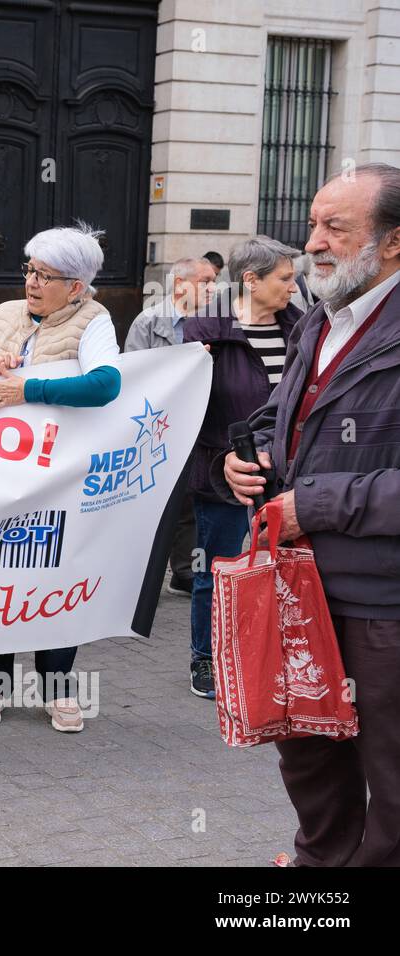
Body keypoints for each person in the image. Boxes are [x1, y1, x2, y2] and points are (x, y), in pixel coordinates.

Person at [220, 163, 400, 866]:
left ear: (391, 243)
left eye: (336, 227)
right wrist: (244, 460)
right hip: (298, 589)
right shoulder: (319, 319)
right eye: (314, 224)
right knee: (309, 759)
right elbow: (280, 419)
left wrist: (316, 504)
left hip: (382, 604)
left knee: (389, 776)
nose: (313, 243)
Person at [0, 222, 122, 733]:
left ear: (75, 287)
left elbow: (105, 384)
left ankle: (57, 687)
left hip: (58, 477)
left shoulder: (94, 319)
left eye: (45, 276)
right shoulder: (5, 314)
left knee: (55, 576)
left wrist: (28, 389)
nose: (31, 283)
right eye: (29, 271)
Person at [182, 237, 300, 700]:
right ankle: (205, 657)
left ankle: (266, 654)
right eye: (285, 279)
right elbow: (188, 404)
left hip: (287, 472)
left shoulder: (303, 328)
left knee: (282, 566)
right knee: (218, 567)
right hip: (223, 469)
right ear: (251, 280)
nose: (294, 287)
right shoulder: (206, 331)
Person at [125, 256, 219, 597]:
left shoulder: (216, 322)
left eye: (215, 281)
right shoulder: (148, 321)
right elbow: (134, 375)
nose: (214, 288)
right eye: (205, 281)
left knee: (190, 501)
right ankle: (139, 576)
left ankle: (184, 572)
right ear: (181, 284)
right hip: (160, 425)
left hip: (201, 422)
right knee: (156, 503)